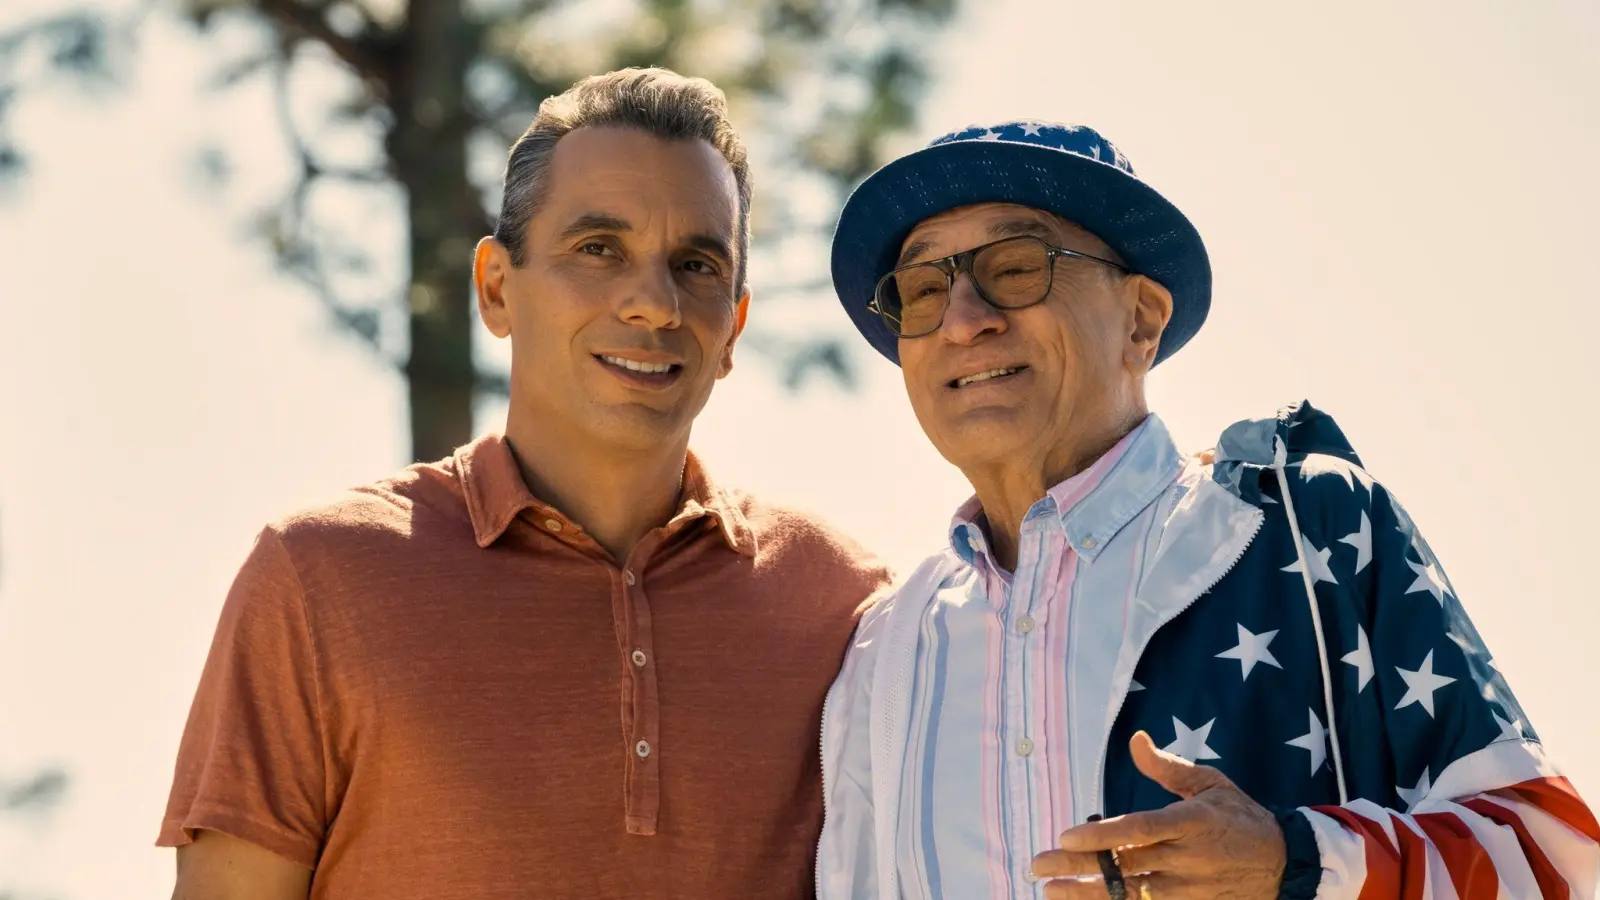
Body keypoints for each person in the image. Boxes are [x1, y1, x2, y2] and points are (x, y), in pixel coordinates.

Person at [816, 121, 1598, 899]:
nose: (963, 319)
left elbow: (1555, 860)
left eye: (1017, 268)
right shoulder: (882, 652)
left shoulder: (1307, 521)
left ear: (1142, 321)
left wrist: (1294, 862)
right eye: (923, 289)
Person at [158, 68, 889, 900]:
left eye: (695, 263)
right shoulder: (319, 579)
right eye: (598, 249)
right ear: (497, 288)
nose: (654, 304)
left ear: (734, 329)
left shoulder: (843, 602)